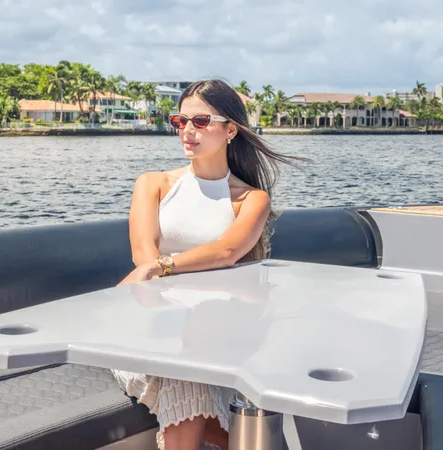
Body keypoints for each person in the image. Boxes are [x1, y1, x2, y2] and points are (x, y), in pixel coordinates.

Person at [113, 79, 307, 450]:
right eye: (179, 121)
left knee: (192, 378)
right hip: (148, 331)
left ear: (230, 129)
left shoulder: (251, 199)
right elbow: (142, 257)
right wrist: (157, 267)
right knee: (189, 379)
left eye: (201, 121)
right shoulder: (152, 184)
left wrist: (165, 265)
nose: (187, 131)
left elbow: (226, 252)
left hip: (214, 337)